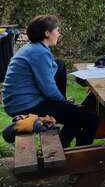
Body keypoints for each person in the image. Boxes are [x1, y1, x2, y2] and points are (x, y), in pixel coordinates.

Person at [1, 15, 98, 147]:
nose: (59, 33)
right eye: (57, 30)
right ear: (47, 33)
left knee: (60, 65)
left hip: (19, 102)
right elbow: (48, 89)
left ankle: (64, 148)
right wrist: (63, 103)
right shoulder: (39, 52)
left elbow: (53, 70)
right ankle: (80, 158)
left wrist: (65, 105)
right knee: (92, 120)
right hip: (25, 105)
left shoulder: (34, 48)